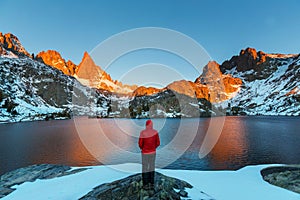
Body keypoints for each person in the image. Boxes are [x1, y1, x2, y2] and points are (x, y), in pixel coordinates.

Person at [138, 119, 160, 189]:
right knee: (151, 167)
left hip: (145, 153)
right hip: (153, 153)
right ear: (152, 125)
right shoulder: (155, 132)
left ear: (146, 125)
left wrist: (143, 148)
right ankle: (152, 183)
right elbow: (158, 143)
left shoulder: (143, 132)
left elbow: (140, 143)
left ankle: (145, 184)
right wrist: (153, 148)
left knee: (145, 168)